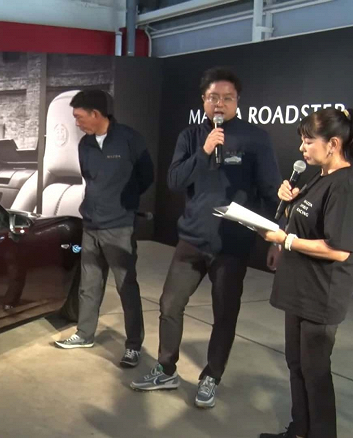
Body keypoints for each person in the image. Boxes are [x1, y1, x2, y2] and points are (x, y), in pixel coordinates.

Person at [131, 67, 282, 408]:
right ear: (203, 100)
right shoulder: (190, 136)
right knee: (170, 304)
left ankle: (212, 375)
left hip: (232, 244)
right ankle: (166, 369)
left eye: (227, 98)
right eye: (213, 97)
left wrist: (275, 239)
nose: (220, 103)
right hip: (191, 240)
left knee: (224, 313)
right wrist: (203, 151)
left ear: (237, 101)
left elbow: (271, 190)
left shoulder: (256, 138)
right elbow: (174, 181)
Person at [258, 108, 353, 438]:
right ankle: (299, 430)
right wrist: (290, 204)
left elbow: (339, 249)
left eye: (308, 141)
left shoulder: (345, 187)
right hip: (300, 289)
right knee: (297, 364)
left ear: (333, 144)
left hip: (321, 295)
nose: (302, 148)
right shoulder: (320, 176)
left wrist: (286, 240)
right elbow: (308, 223)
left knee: (315, 373)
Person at [54, 90, 154, 369]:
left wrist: (124, 202)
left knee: (126, 287)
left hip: (119, 227)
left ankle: (133, 346)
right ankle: (84, 334)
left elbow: (146, 176)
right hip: (91, 225)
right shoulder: (85, 145)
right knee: (89, 285)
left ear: (96, 114)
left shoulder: (130, 139)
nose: (76, 123)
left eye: (79, 117)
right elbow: (89, 178)